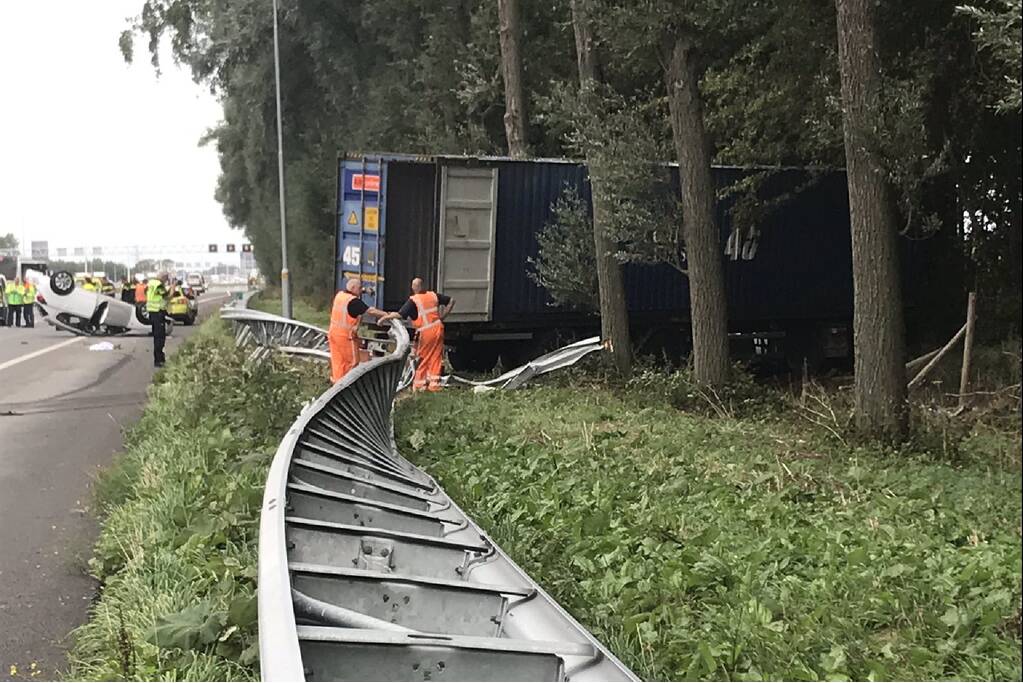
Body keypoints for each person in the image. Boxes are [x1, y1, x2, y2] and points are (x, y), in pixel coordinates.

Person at [381, 277, 455, 392]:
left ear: (416, 287)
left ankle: (419, 385)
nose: (412, 288)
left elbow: (400, 314)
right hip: (438, 328)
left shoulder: (414, 300)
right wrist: (443, 316)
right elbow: (451, 301)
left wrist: (385, 317)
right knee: (436, 357)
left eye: (413, 286)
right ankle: (434, 385)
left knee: (421, 357)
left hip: (426, 332)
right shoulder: (433, 295)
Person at [328, 278, 388, 383]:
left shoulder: (340, 295)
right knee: (352, 362)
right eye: (360, 288)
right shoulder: (353, 302)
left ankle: (336, 383)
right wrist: (387, 315)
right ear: (353, 288)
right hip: (345, 337)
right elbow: (371, 311)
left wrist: (365, 290)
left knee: (338, 362)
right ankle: (346, 385)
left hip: (334, 334)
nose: (361, 291)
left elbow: (353, 290)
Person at [146, 273, 171, 367]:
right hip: (158, 312)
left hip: (152, 312)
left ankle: (159, 358)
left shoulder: (151, 283)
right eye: (166, 279)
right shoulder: (159, 285)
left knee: (157, 336)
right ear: (163, 278)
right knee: (160, 337)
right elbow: (166, 296)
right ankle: (159, 360)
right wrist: (172, 287)